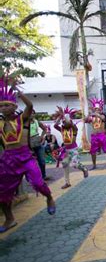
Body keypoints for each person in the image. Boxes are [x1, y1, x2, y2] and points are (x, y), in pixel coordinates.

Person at [0, 75, 56, 233]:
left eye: (6, 105)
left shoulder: (22, 119)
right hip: (8, 160)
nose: (3, 108)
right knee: (3, 193)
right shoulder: (0, 123)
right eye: (1, 105)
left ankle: (49, 198)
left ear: (13, 106)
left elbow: (29, 105)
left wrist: (16, 89)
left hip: (25, 157)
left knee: (38, 183)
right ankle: (9, 219)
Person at [53, 106, 89, 189]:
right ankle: (67, 182)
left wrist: (65, 116)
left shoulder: (73, 129)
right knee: (65, 164)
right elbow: (55, 125)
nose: (64, 123)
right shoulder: (62, 129)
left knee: (75, 165)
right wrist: (60, 116)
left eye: (65, 121)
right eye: (64, 122)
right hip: (66, 151)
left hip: (74, 150)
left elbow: (70, 123)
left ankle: (84, 169)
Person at [85, 98, 106, 169]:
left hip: (102, 135)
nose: (97, 110)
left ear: (100, 109)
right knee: (93, 151)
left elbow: (103, 119)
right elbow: (85, 120)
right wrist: (89, 114)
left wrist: (96, 114)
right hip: (94, 136)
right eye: (95, 109)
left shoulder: (102, 115)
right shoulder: (92, 117)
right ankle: (94, 165)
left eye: (98, 109)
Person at [29, 110, 49, 180]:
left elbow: (44, 129)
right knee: (30, 163)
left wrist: (42, 136)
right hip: (28, 144)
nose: (31, 115)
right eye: (30, 113)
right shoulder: (24, 122)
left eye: (33, 113)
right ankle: (31, 178)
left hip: (37, 142)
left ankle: (43, 176)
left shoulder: (36, 121)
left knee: (42, 161)